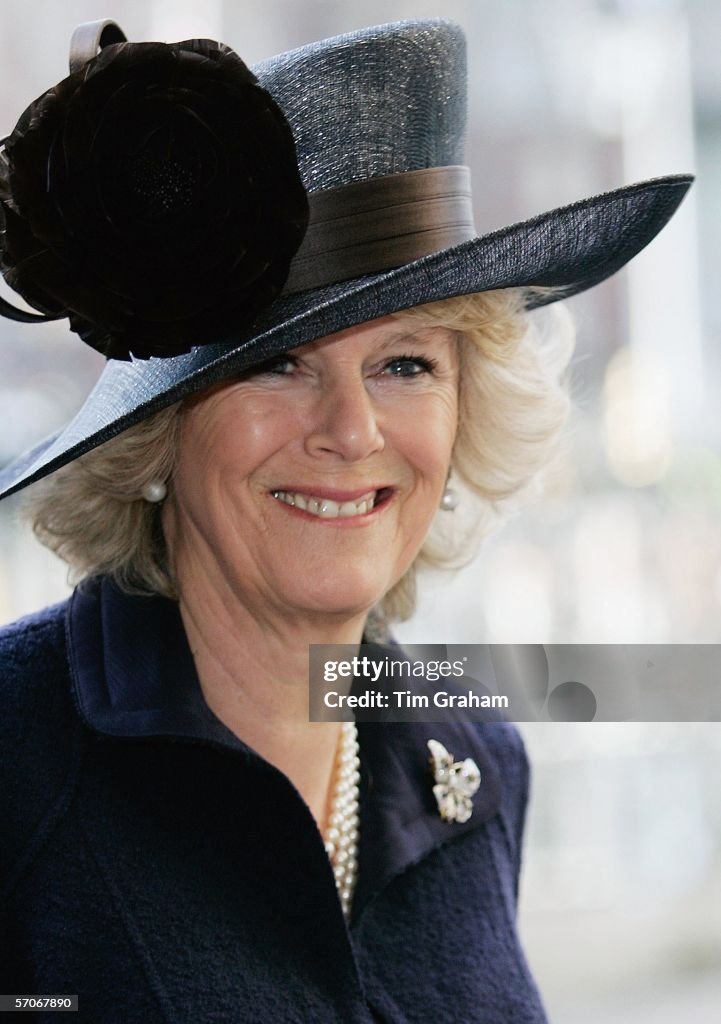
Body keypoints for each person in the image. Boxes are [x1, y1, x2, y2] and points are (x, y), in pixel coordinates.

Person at [0, 17, 691, 1023]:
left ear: (464, 413)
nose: (352, 429)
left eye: (405, 364)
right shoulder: (19, 762)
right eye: (276, 362)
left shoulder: (477, 760)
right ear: (158, 432)